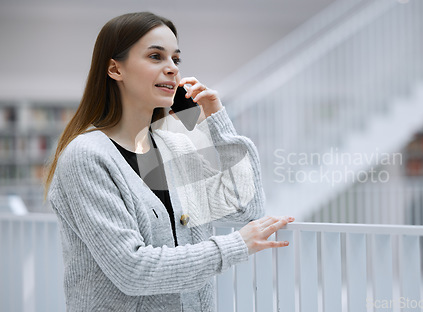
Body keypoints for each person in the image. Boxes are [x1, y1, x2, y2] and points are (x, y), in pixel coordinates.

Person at [44, 12, 293, 312]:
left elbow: (246, 208)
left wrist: (217, 120)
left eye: (176, 59)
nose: (172, 69)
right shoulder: (87, 156)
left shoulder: (175, 146)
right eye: (155, 56)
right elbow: (132, 270)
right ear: (114, 69)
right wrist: (235, 245)